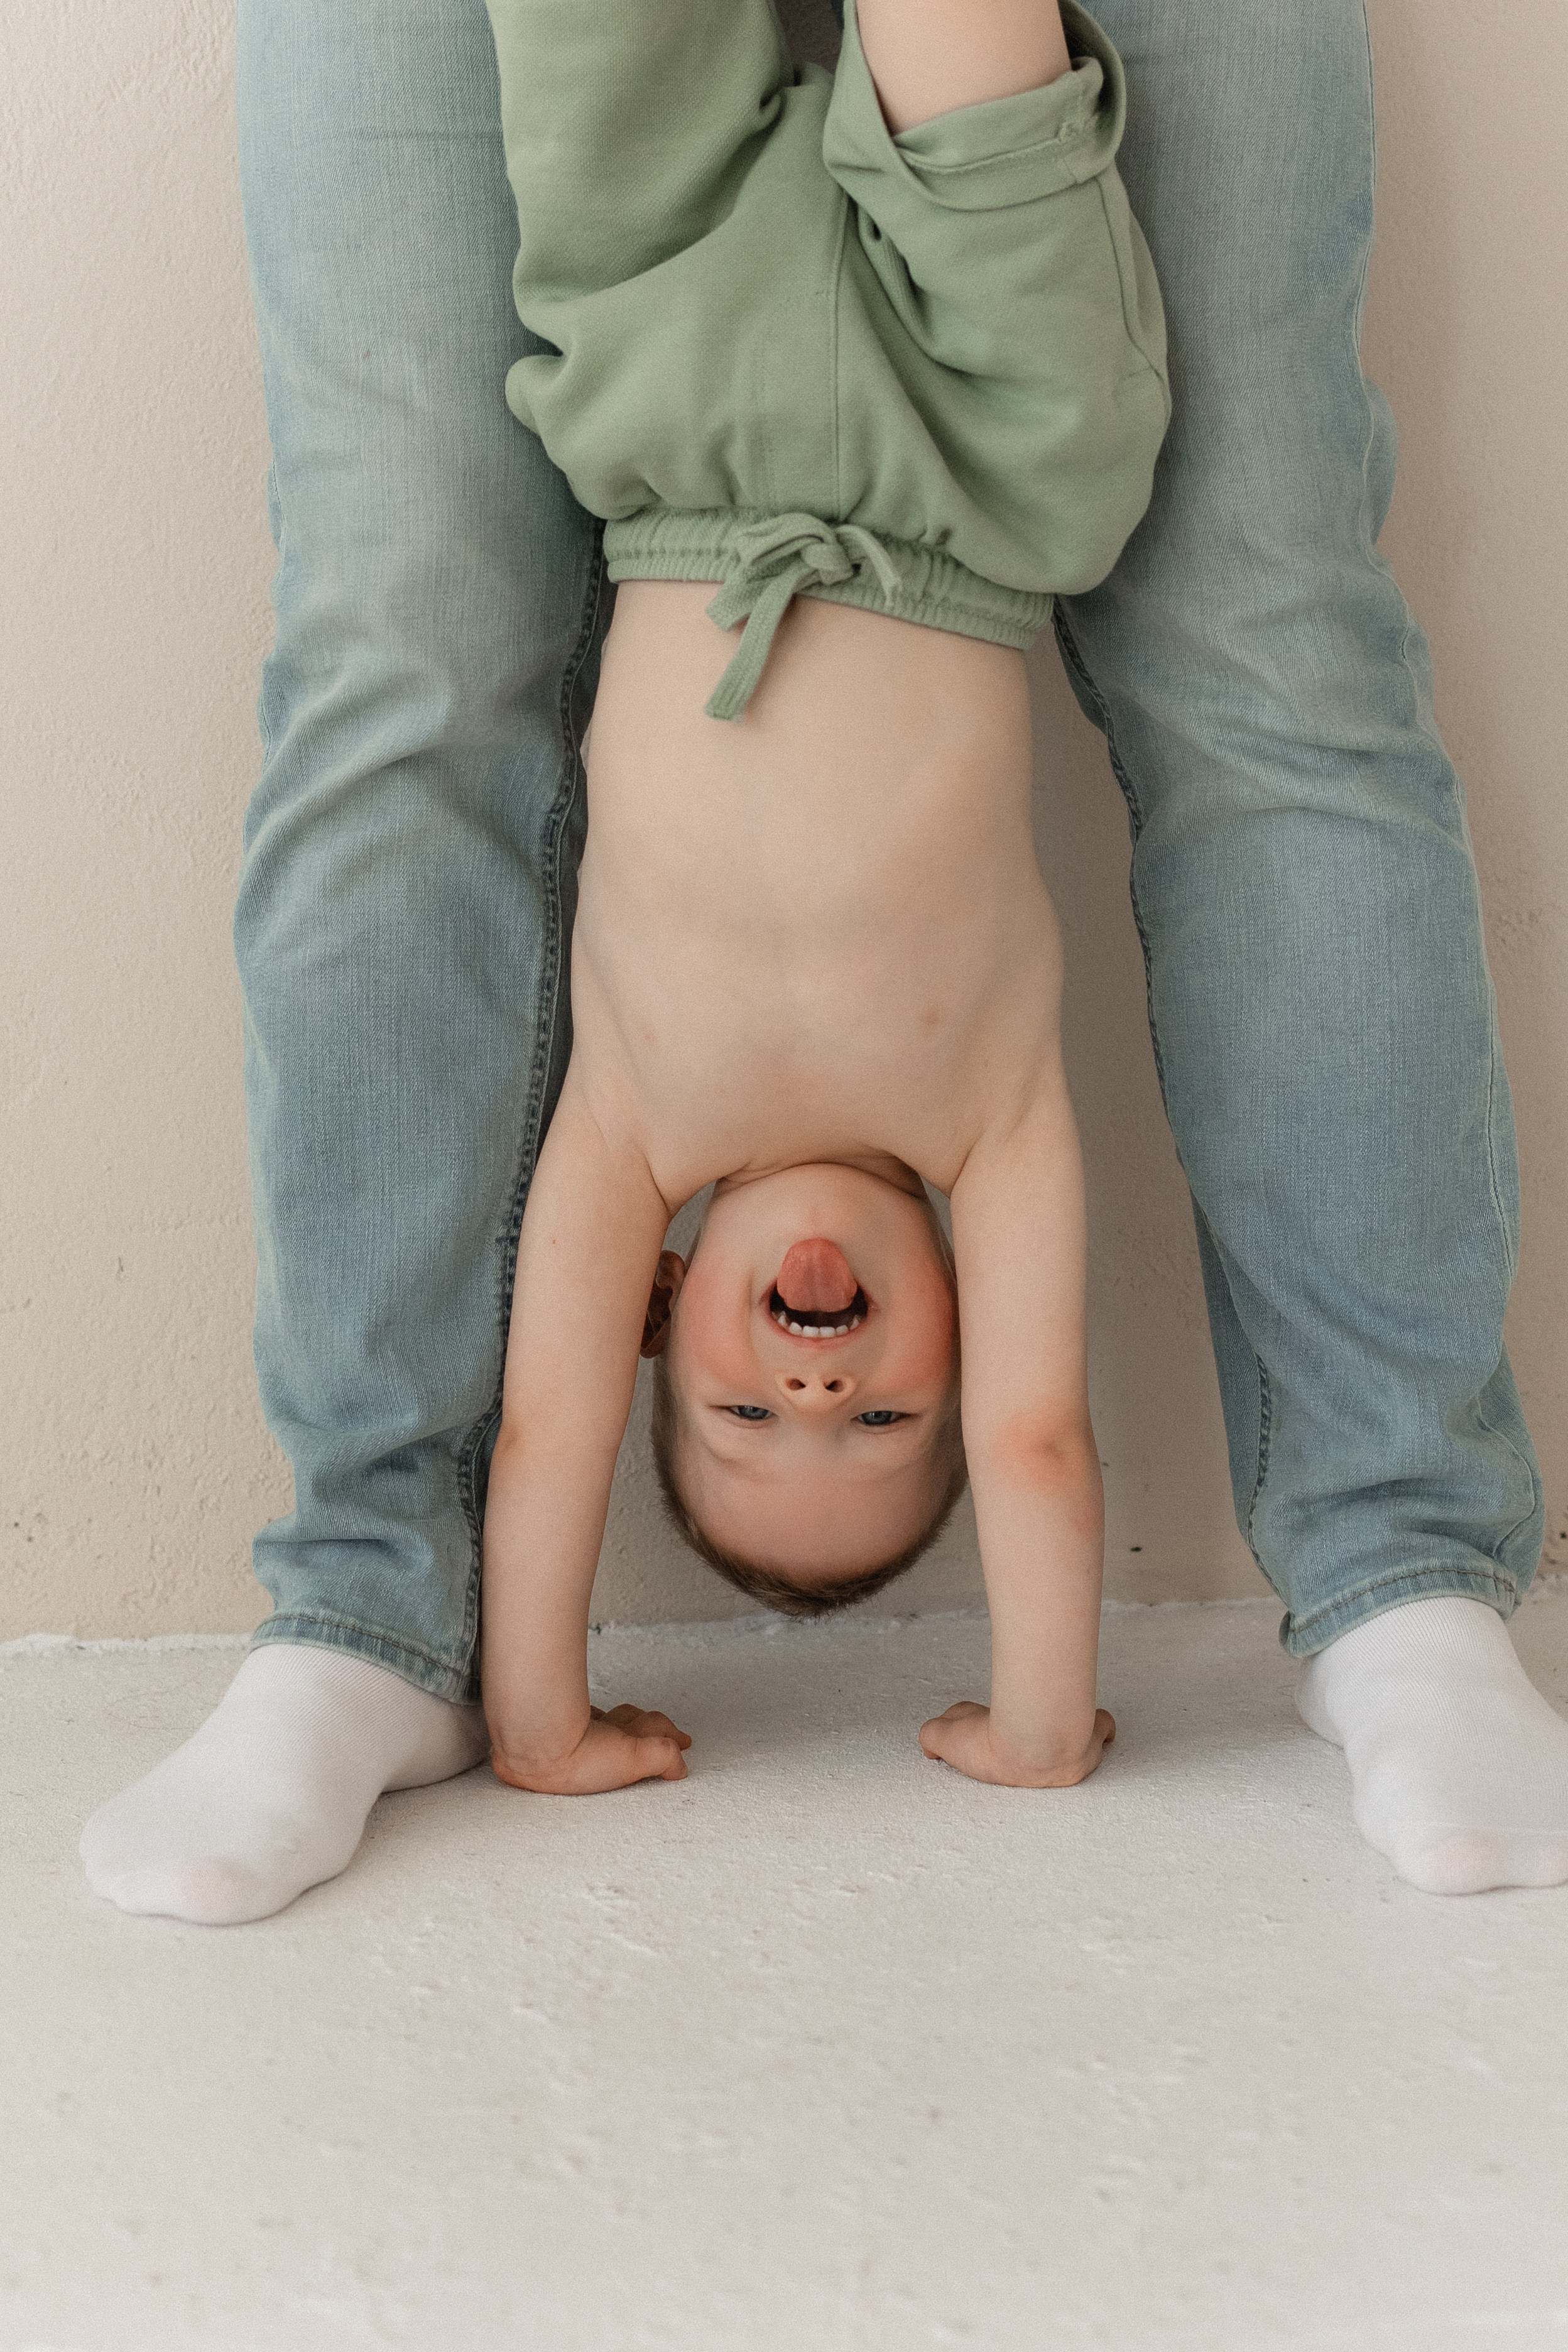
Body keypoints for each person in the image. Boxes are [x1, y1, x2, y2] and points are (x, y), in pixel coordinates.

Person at [80, 0, 1568, 1926]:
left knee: (1273, 637)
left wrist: (552, 1723)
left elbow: (561, 1426)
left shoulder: (638, 1138)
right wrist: (1040, 1727)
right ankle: (363, 1614)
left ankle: (1407, 1590)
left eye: (754, 1414)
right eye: (877, 1417)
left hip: (678, 374)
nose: (817, 1374)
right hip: (989, 451)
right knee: (400, 644)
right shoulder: (987, 1133)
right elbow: (1032, 1437)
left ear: (665, 1313)